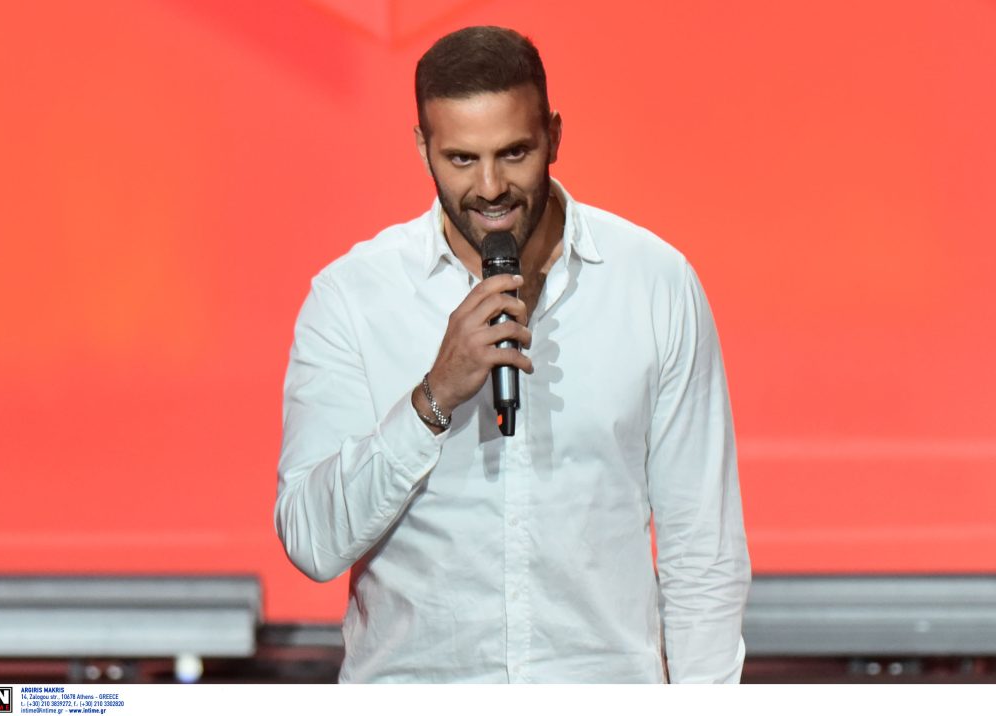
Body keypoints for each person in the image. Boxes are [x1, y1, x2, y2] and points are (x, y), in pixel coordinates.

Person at [275, 25, 750, 683]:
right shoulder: (352, 299)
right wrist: (432, 398)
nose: (491, 187)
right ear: (423, 148)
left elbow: (703, 552)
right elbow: (311, 541)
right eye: (461, 159)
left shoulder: (653, 284)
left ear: (554, 136)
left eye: (514, 152)